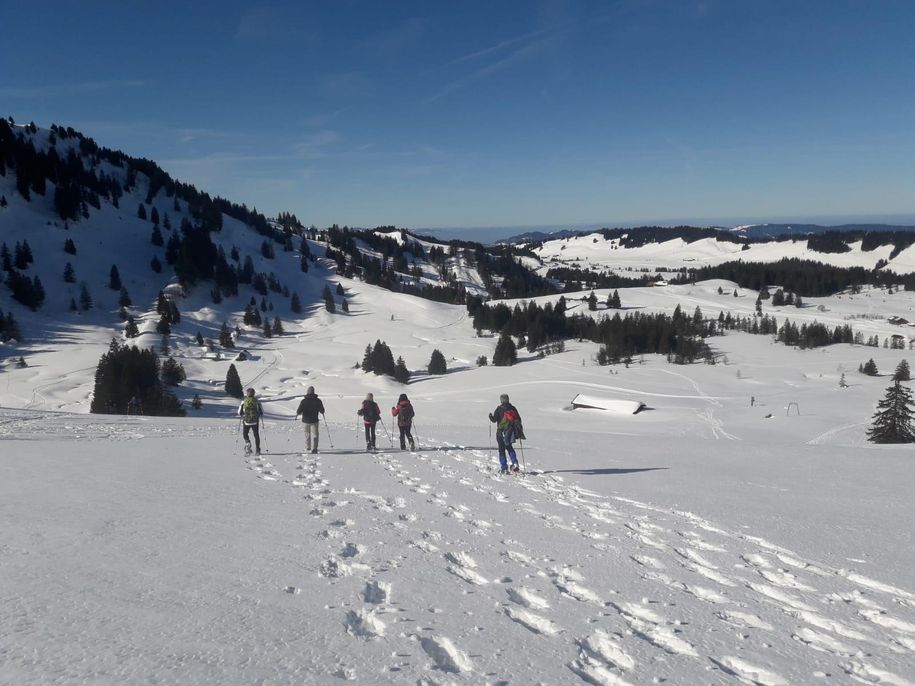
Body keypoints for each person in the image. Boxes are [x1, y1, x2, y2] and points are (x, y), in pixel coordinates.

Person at [489, 393, 524, 474]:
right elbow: (519, 419)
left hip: (500, 433)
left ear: (501, 400)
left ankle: (504, 468)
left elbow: (494, 420)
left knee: (501, 450)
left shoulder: (499, 409)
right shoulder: (513, 408)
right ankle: (515, 463)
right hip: (510, 433)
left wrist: (490, 416)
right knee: (509, 447)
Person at [295, 386, 325, 454]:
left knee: (307, 434)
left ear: (307, 392)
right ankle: (314, 449)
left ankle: (308, 447)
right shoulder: (318, 401)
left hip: (305, 421)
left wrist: (298, 413)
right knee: (315, 435)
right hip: (314, 421)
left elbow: (298, 411)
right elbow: (322, 411)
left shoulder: (304, 401)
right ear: (313, 392)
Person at [238, 388, 263, 455]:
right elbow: (261, 412)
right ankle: (258, 450)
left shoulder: (244, 401)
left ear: (247, 393)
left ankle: (248, 443)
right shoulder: (257, 401)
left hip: (246, 421)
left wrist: (242, 415)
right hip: (255, 421)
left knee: (245, 434)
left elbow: (239, 412)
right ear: (254, 393)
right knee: (256, 435)